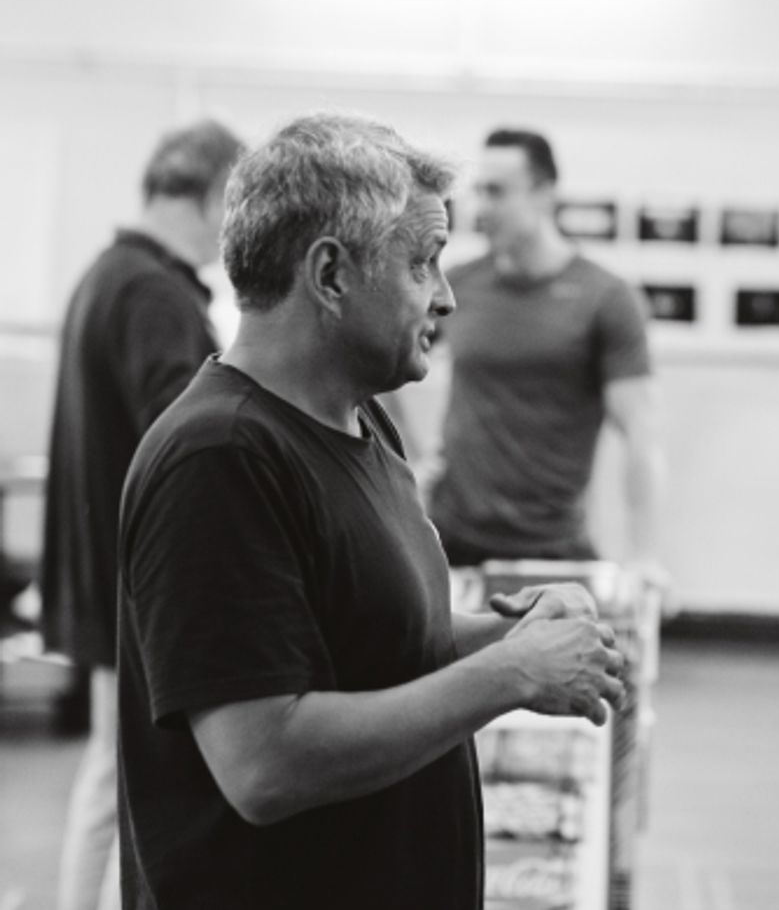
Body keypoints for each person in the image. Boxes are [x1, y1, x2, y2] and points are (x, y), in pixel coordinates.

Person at [116, 113, 626, 909]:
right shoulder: (218, 458)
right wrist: (510, 673)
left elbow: (367, 637)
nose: (447, 297)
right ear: (330, 275)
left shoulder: (362, 419)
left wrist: (513, 634)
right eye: (424, 262)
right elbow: (265, 761)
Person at [38, 118, 244, 910]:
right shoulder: (155, 293)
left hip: (100, 562)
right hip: (134, 577)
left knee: (107, 765)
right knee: (118, 773)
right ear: (216, 192)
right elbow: (191, 442)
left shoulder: (106, 273)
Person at [424, 128, 664, 576]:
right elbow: (376, 361)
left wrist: (644, 554)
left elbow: (640, 432)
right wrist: (413, 460)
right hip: (450, 536)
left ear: (544, 193)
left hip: (553, 546)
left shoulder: (605, 297)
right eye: (479, 191)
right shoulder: (458, 283)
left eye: (496, 192)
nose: (481, 208)